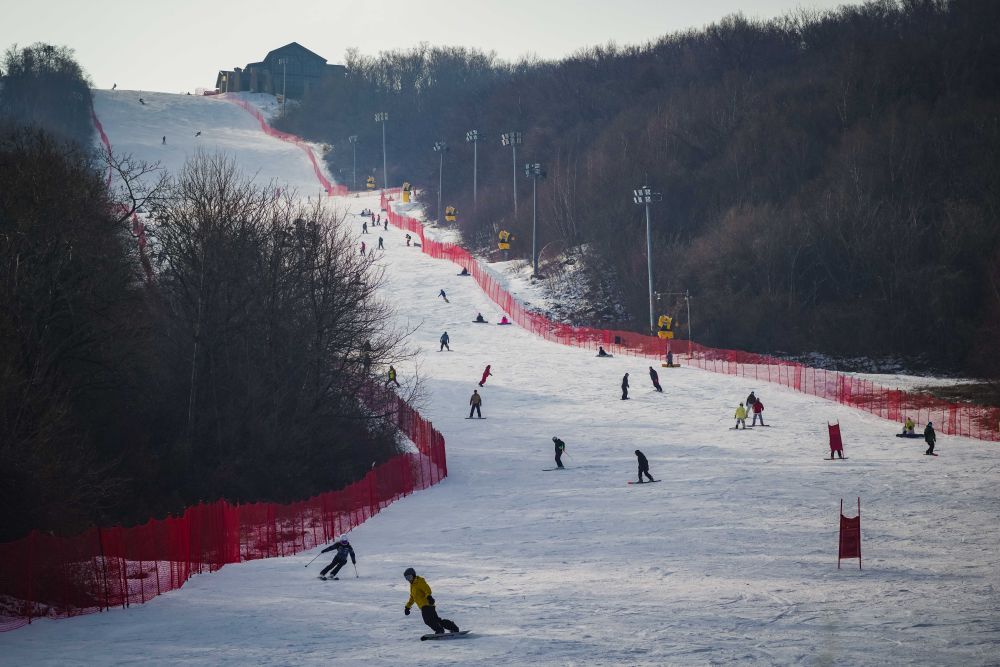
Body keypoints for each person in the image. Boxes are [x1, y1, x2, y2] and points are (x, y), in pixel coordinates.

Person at [403, 567, 460, 635]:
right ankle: (453, 627)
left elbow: (427, 590)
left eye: (409, 577)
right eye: (407, 578)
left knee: (428, 621)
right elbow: (412, 597)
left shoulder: (419, 581)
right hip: (425, 606)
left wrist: (429, 597)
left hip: (427, 604)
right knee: (436, 620)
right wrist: (407, 607)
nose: (408, 580)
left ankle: (439, 630)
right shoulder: (412, 585)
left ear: (413, 575)